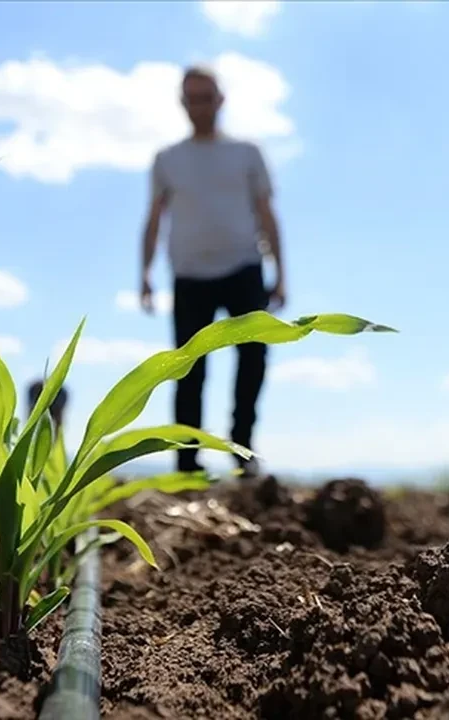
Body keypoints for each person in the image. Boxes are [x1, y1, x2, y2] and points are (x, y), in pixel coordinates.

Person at [138, 64, 285, 477]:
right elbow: (153, 217)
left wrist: (281, 272)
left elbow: (267, 212)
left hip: (244, 268)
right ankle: (187, 463)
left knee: (252, 360)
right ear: (182, 104)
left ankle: (243, 451)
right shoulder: (167, 159)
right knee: (188, 369)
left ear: (220, 100)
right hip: (189, 276)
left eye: (207, 97)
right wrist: (145, 274)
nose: (200, 106)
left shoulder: (246, 154)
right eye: (192, 98)